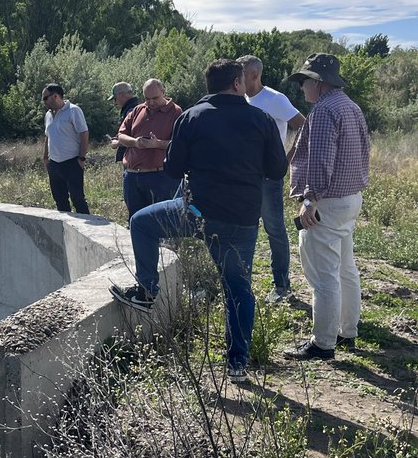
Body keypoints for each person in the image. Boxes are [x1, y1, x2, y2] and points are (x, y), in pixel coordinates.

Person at [109, 60, 288, 381]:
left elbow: (174, 170)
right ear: (236, 84)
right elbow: (277, 171)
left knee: (141, 223)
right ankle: (237, 364)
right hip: (242, 219)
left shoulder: (191, 117)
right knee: (238, 289)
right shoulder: (261, 119)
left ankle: (147, 292)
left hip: (196, 214)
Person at [283, 53, 370, 361]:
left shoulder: (323, 111)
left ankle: (323, 343)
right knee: (346, 269)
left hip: (327, 202)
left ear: (318, 83)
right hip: (350, 198)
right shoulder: (351, 106)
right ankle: (347, 330)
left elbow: (320, 161)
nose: (301, 88)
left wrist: (309, 200)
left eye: (304, 81)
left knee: (323, 276)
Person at [237, 55, 306, 303]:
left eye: (241, 74)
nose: (237, 79)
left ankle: (281, 285)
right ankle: (242, 280)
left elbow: (304, 126)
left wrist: (286, 160)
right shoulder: (241, 99)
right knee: (243, 225)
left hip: (267, 176)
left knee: (274, 228)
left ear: (254, 75)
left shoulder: (275, 99)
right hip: (245, 176)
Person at [112, 78, 182, 218]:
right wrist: (135, 142)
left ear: (163, 92)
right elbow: (121, 136)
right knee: (135, 219)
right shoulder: (138, 110)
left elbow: (181, 144)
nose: (150, 102)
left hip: (160, 177)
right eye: (147, 98)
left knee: (162, 222)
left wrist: (158, 144)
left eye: (155, 98)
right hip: (132, 176)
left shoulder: (175, 112)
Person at [42, 83, 90, 214]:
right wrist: (45, 157)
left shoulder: (73, 111)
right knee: (60, 199)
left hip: (72, 162)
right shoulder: (48, 115)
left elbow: (84, 133)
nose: (44, 102)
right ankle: (64, 231)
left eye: (45, 98)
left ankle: (87, 230)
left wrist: (81, 158)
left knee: (78, 199)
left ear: (56, 96)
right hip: (54, 164)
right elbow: (48, 136)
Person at [107, 82, 140, 163]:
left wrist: (117, 143)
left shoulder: (131, 111)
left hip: (133, 160)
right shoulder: (136, 109)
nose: (115, 103)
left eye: (115, 99)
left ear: (121, 95)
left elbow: (136, 137)